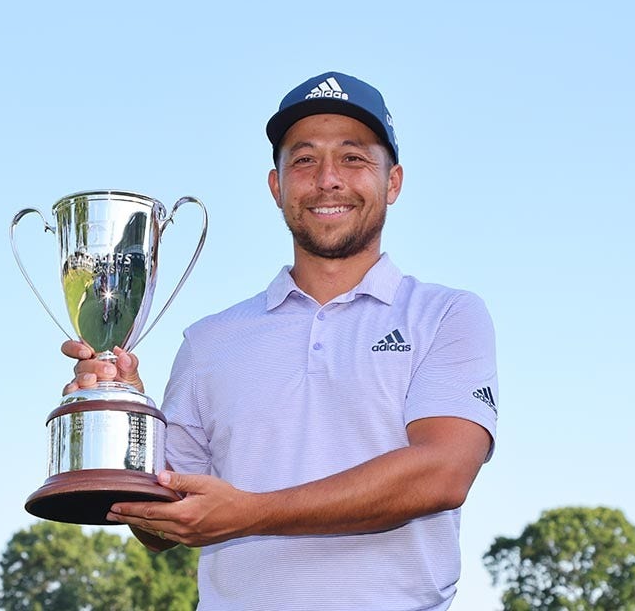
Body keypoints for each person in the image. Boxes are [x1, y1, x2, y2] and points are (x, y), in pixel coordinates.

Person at [62, 72, 499, 610]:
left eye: (354, 158)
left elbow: (443, 472)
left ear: (394, 182)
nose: (328, 179)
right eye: (304, 160)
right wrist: (127, 415)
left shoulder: (446, 314)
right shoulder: (209, 341)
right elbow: (162, 527)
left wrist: (253, 511)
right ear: (277, 186)